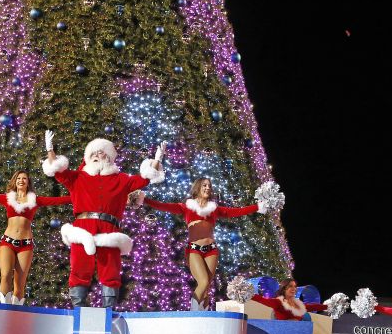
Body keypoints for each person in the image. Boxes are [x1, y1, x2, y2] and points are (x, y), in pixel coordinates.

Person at [43, 131, 164, 308]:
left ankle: (108, 309)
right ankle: (79, 307)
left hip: (109, 228)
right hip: (83, 227)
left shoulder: (121, 179)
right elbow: (58, 171)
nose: (97, 156)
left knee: (110, 269)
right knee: (79, 267)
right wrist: (50, 150)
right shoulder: (77, 178)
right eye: (93, 154)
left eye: (101, 153)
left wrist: (157, 160)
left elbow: (144, 179)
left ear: (109, 157)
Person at [142, 178, 262, 310]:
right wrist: (144, 199)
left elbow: (238, 211)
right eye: (204, 185)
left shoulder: (214, 209)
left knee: (206, 288)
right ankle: (194, 314)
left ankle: (204, 315)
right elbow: (162, 205)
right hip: (194, 249)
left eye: (209, 186)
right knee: (203, 281)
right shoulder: (186, 207)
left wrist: (258, 207)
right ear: (198, 187)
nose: (208, 188)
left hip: (211, 250)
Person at [0, 171, 70, 305]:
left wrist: (82, 196)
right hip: (8, 242)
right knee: (5, 275)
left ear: (28, 182)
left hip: (26, 245)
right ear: (15, 181)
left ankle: (15, 312)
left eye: (24, 178)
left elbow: (58, 200)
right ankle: (4, 308)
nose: (21, 180)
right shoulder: (7, 198)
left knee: (20, 284)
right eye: (18, 178)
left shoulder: (35, 200)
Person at [250, 279, 329, 320]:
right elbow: (262, 300)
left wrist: (326, 306)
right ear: (284, 289)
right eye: (290, 286)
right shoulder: (278, 302)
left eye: (295, 286)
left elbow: (311, 307)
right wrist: (248, 293)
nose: (294, 289)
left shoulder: (298, 304)